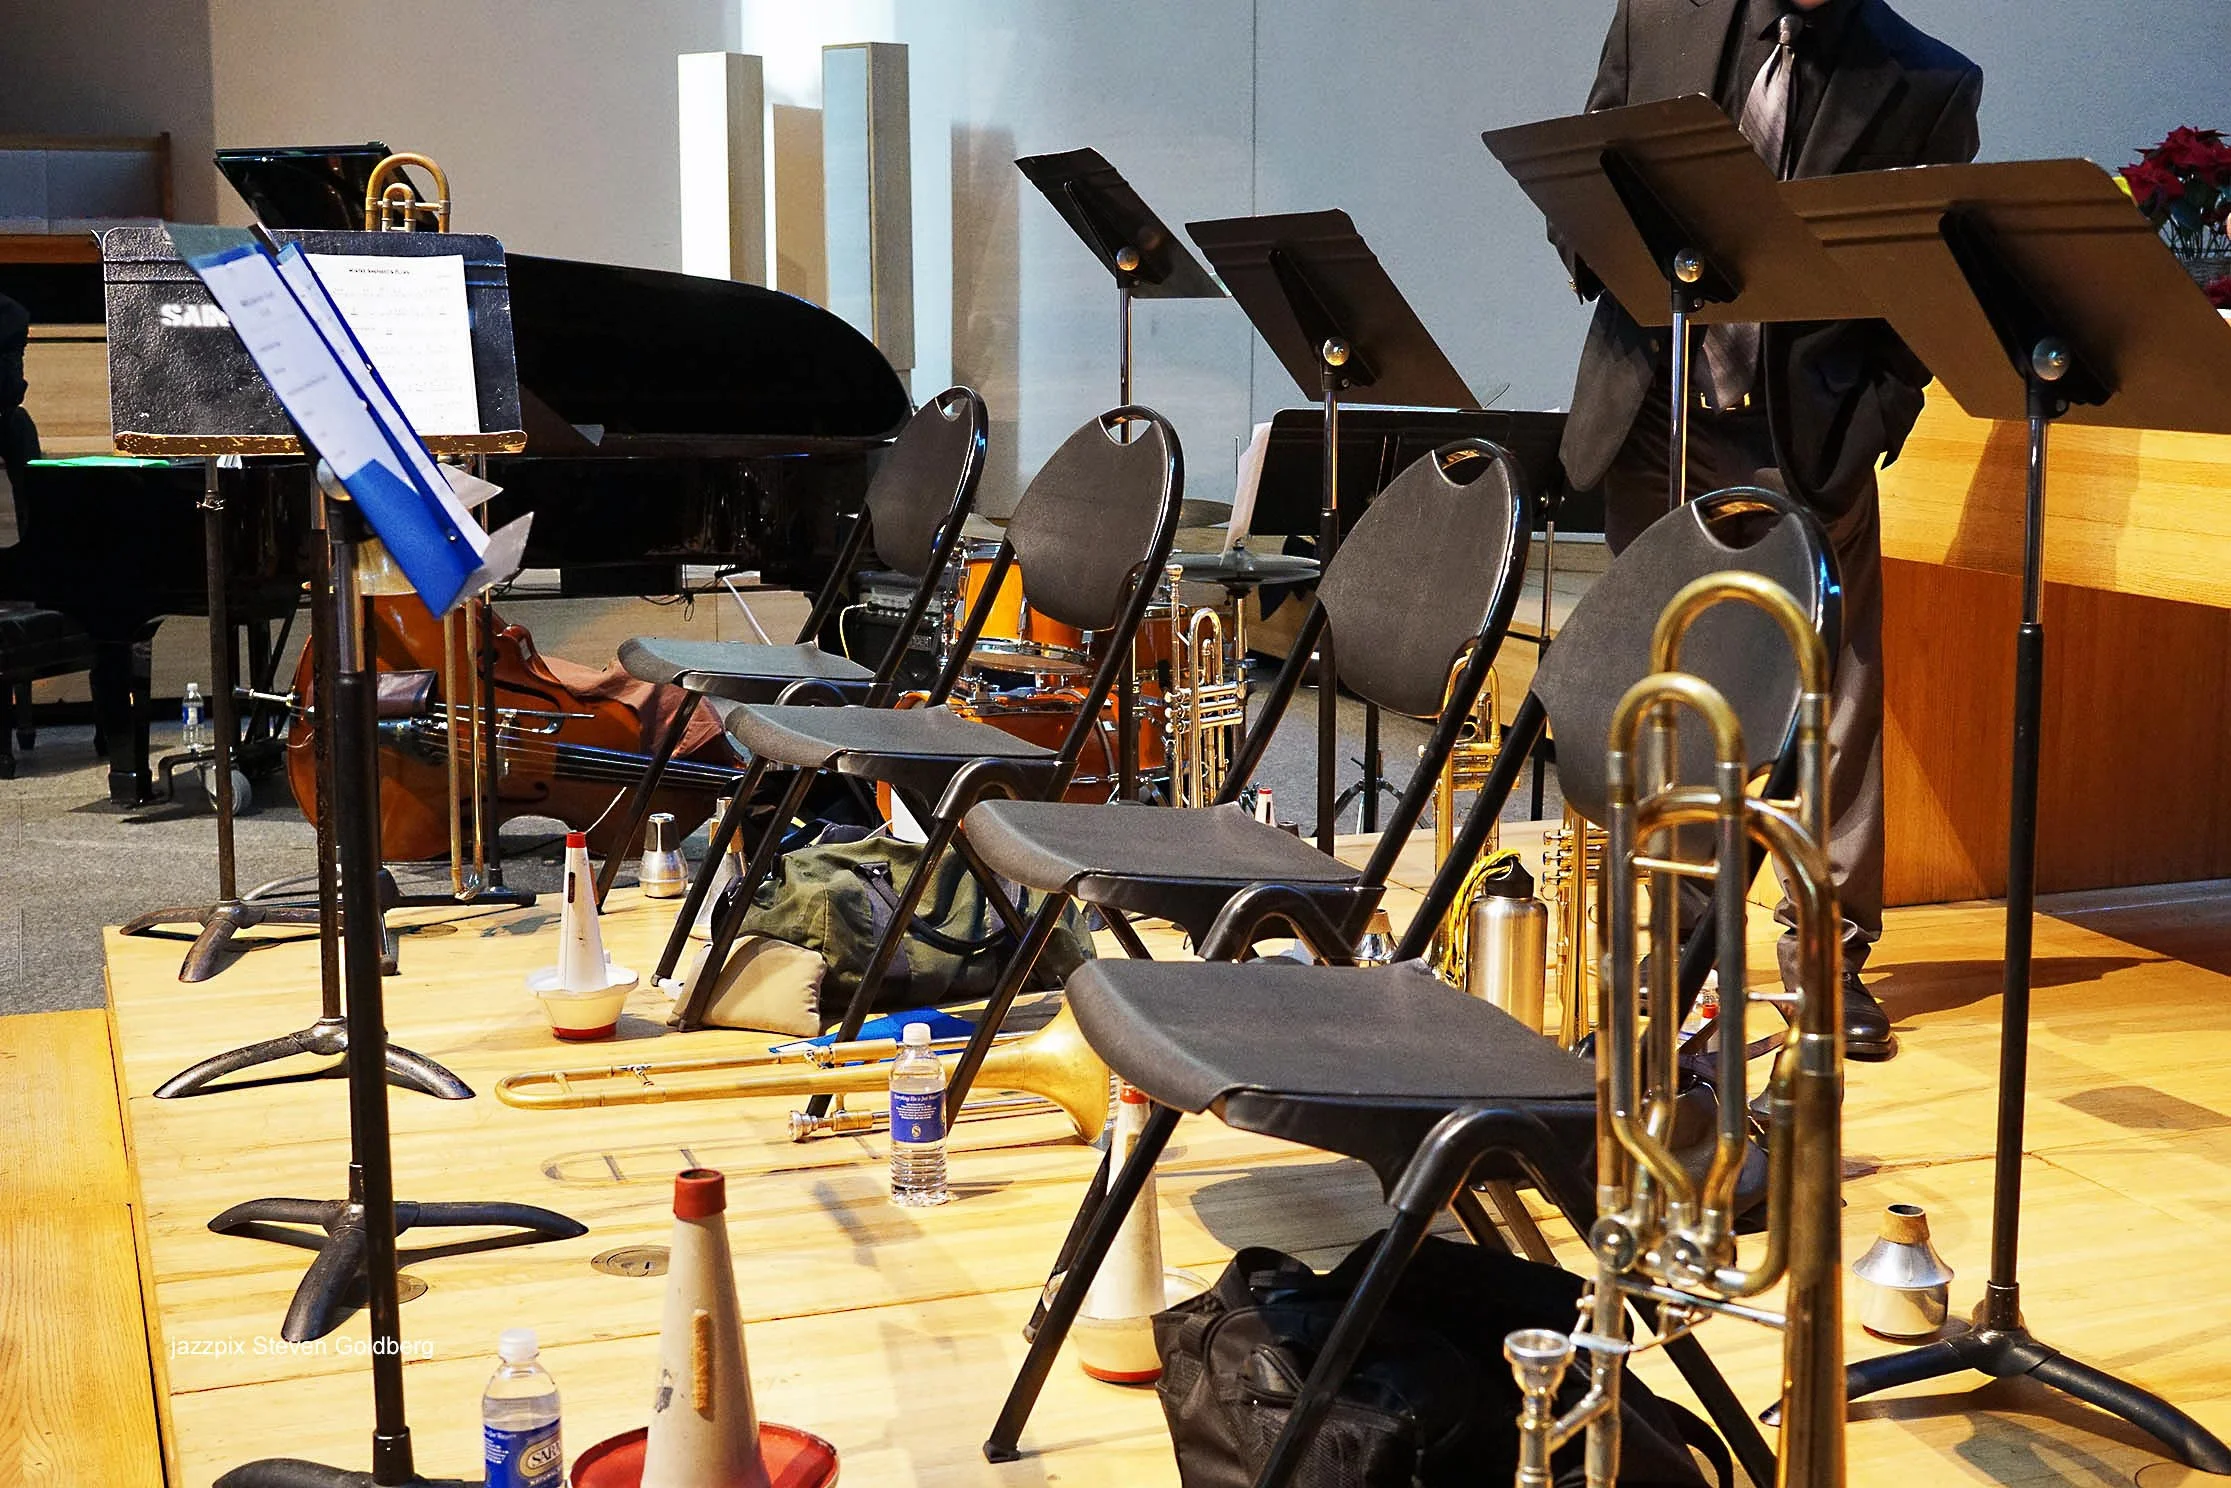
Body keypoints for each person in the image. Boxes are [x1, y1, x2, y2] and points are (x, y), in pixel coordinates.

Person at [1557, 0, 1983, 1060]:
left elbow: (1922, 293)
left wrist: (1870, 422)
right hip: (1652, 406)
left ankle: (1828, 956)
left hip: (1807, 434)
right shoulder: (1658, 16)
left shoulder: (1926, 82)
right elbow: (1580, 176)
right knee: (1661, 686)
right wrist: (1602, 248)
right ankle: (1669, 950)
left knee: (1832, 697)